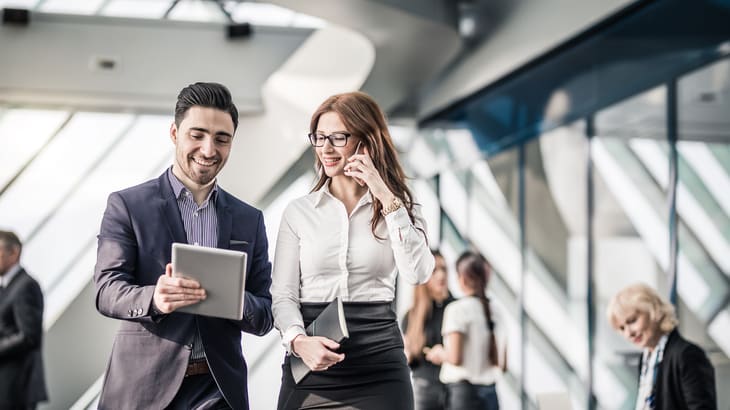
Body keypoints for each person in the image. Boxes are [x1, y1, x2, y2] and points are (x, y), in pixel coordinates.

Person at [93, 82, 273, 410]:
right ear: (175, 133)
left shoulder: (250, 220)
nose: (208, 149)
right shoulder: (128, 206)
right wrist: (155, 299)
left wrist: (234, 300)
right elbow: (107, 290)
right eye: (197, 134)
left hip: (218, 389)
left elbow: (264, 313)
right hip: (144, 387)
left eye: (222, 139)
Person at [271, 91, 435, 410]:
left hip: (381, 367)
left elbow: (418, 273)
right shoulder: (299, 212)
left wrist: (385, 195)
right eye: (319, 138)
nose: (326, 149)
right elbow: (283, 295)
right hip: (311, 364)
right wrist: (298, 341)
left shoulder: (401, 208)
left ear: (366, 142)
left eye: (338, 137)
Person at [607, 283, 716, 410]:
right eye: (622, 328)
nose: (629, 333)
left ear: (653, 310)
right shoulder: (646, 359)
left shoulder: (687, 355)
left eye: (632, 321)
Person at [426, 250, 505, 410]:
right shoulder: (497, 311)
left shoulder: (456, 310)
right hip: (491, 396)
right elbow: (503, 364)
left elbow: (455, 358)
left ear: (461, 279)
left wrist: (440, 353)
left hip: (463, 397)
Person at [0, 230, 48, 410]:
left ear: (14, 252)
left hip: (16, 389)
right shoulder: (6, 287)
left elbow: (28, 336)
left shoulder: (26, 286)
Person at [402, 250, 455, 410]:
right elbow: (408, 359)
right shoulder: (411, 316)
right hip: (424, 391)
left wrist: (446, 355)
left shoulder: (458, 308)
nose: (441, 275)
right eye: (434, 270)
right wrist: (407, 356)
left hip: (454, 390)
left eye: (444, 269)